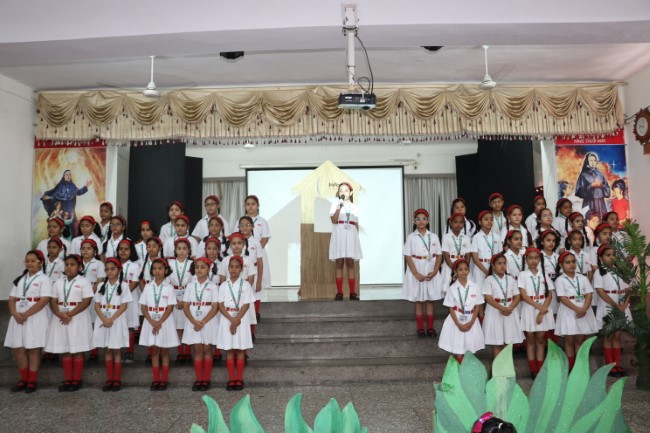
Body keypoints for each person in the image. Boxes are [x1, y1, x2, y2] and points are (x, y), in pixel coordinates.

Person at [4, 250, 52, 393]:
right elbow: (11, 298)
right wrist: (15, 313)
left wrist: (26, 314)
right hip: (18, 316)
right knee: (18, 348)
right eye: (27, 261)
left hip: (35, 316)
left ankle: (32, 380)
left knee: (33, 348)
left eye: (33, 261)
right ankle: (23, 379)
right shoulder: (20, 279)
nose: (29, 263)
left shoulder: (44, 279)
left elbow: (44, 300)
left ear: (40, 262)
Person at [45, 254, 94, 392]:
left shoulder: (84, 282)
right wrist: (60, 314)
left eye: (72, 265)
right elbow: (53, 301)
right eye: (67, 264)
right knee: (65, 349)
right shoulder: (58, 282)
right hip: (61, 317)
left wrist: (70, 314)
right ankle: (68, 379)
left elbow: (87, 301)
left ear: (80, 267)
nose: (69, 267)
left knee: (77, 350)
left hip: (77, 317)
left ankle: (77, 379)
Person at [401, 209, 443, 337]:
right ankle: (420, 328)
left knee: (430, 300)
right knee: (419, 300)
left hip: (430, 269)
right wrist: (415, 273)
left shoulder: (434, 236)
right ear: (414, 221)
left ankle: (430, 327)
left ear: (428, 221)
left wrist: (435, 271)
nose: (421, 221)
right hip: (417, 268)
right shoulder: (411, 237)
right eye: (418, 219)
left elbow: (439, 255)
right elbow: (407, 256)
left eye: (424, 219)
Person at [139, 258, 178, 391]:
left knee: (165, 351)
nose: (157, 271)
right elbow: (143, 306)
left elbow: (170, 307)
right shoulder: (148, 287)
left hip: (164, 321)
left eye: (160, 268)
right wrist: (152, 321)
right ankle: (156, 379)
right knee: (155, 351)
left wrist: (159, 322)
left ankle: (164, 380)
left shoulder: (169, 287)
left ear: (166, 270)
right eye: (154, 268)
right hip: (151, 320)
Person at [93, 258, 132, 391]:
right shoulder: (101, 285)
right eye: (107, 269)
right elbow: (96, 305)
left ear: (119, 270)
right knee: (107, 349)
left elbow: (124, 306)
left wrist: (111, 319)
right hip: (103, 319)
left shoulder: (124, 285)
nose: (109, 271)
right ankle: (109, 378)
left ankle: (117, 379)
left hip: (116, 319)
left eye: (113, 269)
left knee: (116, 350)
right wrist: (104, 319)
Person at [554, 251, 598, 370]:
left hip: (583, 309)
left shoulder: (582, 278)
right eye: (568, 262)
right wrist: (577, 309)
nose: (571, 264)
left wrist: (584, 308)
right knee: (569, 339)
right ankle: (571, 367)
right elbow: (562, 297)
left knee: (580, 338)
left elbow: (589, 294)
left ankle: (580, 367)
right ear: (561, 265)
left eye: (573, 261)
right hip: (568, 310)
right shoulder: (560, 280)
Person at [217, 255, 254, 391]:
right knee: (229, 350)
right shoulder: (223, 286)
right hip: (227, 318)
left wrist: (237, 319)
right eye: (231, 267)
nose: (233, 269)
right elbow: (220, 305)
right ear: (227, 268)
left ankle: (239, 378)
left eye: (237, 267)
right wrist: (231, 320)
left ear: (241, 269)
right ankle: (231, 378)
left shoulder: (246, 285)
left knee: (240, 349)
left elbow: (246, 304)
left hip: (241, 319)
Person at [593, 245, 631, 378]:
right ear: (601, 257)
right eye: (607, 255)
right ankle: (609, 366)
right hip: (608, 305)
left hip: (621, 306)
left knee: (617, 336)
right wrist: (615, 305)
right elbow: (600, 291)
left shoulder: (621, 271)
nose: (611, 257)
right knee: (609, 336)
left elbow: (628, 290)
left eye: (613, 255)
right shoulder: (599, 272)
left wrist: (624, 304)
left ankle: (617, 364)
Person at [182, 257, 219, 391]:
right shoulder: (190, 286)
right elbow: (185, 306)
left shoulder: (213, 286)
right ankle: (199, 379)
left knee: (207, 350)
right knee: (197, 350)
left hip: (208, 321)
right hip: (193, 321)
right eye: (197, 267)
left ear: (209, 269)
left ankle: (206, 379)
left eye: (203, 267)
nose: (199, 270)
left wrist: (203, 322)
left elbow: (215, 307)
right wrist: (194, 321)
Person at [438, 259, 485, 363]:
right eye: (460, 269)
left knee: (469, 346)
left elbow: (478, 305)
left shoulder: (475, 287)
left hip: (471, 319)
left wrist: (472, 321)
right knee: (457, 347)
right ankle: (458, 368)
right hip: (456, 319)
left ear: (469, 271)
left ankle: (466, 368)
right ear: (455, 271)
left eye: (465, 269)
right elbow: (450, 307)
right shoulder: (452, 288)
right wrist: (458, 324)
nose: (463, 271)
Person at [518, 247, 555, 378]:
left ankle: (540, 367)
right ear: (526, 260)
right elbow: (523, 295)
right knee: (530, 339)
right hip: (530, 308)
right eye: (530, 258)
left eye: (536, 258)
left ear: (540, 259)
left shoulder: (544, 274)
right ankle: (533, 368)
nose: (533, 261)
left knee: (540, 339)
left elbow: (549, 295)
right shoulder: (522, 275)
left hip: (543, 309)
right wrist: (539, 307)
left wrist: (542, 311)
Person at [482, 253, 523, 358]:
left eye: (504, 263)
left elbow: (517, 296)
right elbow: (488, 298)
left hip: (510, 311)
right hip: (495, 311)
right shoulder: (489, 280)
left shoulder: (511, 279)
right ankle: (497, 367)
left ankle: (506, 366)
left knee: (508, 341)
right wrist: (502, 308)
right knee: (497, 342)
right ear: (493, 266)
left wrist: (510, 308)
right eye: (499, 263)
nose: (502, 266)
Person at [329, 182, 362, 301]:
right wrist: (339, 206)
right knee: (339, 263)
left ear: (351, 193)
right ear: (338, 193)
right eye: (341, 190)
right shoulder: (335, 204)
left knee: (350, 262)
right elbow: (333, 220)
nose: (343, 192)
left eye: (346, 190)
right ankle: (339, 292)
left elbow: (355, 222)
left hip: (350, 234)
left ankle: (352, 292)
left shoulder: (355, 207)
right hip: (339, 233)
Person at [167, 238, 194, 365]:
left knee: (187, 325)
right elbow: (167, 283)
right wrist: (176, 300)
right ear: (175, 250)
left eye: (184, 249)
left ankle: (187, 353)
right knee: (178, 326)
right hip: (175, 295)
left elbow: (194, 283)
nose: (181, 251)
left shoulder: (192, 264)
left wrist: (185, 301)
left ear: (188, 250)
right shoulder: (170, 263)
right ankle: (180, 353)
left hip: (188, 296)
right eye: (179, 249)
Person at [237, 216, 265, 335]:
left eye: (248, 225)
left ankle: (251, 332)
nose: (245, 227)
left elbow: (260, 262)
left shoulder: (256, 242)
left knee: (253, 303)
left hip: (254, 273)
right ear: (239, 227)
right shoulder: (236, 241)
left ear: (252, 227)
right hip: (240, 274)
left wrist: (259, 281)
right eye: (242, 225)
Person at [245, 195, 272, 294]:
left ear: (258, 206)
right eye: (248, 204)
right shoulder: (240, 220)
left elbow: (265, 238)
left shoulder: (262, 221)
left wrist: (255, 250)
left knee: (257, 282)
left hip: (258, 254)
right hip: (244, 253)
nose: (250, 207)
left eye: (253, 204)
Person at [471, 211, 502, 288]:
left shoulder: (497, 237)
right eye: (486, 219)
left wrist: (494, 269)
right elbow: (475, 258)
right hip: (480, 268)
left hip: (494, 267)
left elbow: (500, 255)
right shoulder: (476, 237)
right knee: (480, 290)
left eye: (491, 219)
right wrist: (486, 271)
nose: (489, 221)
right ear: (480, 222)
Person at [441, 213, 472, 290]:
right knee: (449, 288)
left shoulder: (466, 238)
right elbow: (446, 255)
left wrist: (464, 268)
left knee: (464, 288)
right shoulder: (446, 237)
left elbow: (468, 255)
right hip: (450, 265)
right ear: (451, 223)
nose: (458, 224)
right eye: (455, 222)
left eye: (461, 222)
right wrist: (454, 270)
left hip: (463, 265)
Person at [575, 152, 610, 217]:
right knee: (590, 219)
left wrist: (601, 185)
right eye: (591, 160)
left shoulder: (600, 174)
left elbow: (607, 187)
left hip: (600, 202)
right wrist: (591, 186)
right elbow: (579, 190)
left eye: (594, 160)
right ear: (587, 162)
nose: (593, 162)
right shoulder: (583, 174)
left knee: (601, 219)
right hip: (589, 202)